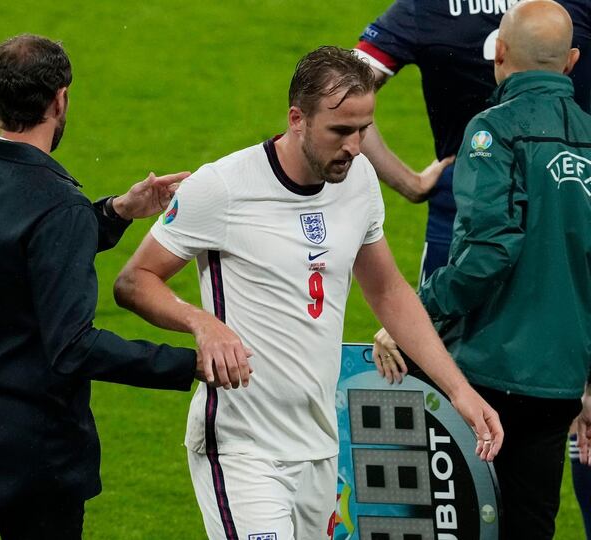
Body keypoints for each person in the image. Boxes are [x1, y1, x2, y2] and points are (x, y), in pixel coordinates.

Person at [113, 46, 503, 540]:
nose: (355, 146)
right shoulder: (222, 188)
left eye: (363, 130)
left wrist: (459, 390)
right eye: (340, 131)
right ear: (297, 119)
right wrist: (203, 323)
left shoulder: (358, 179)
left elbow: (387, 290)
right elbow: (133, 281)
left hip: (320, 447)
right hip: (242, 446)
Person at [0, 34, 243, 540]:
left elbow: (3, 247)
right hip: (32, 457)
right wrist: (190, 363)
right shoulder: (57, 206)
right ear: (61, 99)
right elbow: (73, 347)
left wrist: (114, 212)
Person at [373, 2, 591, 538]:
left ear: (498, 53)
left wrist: (414, 317)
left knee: (450, 522)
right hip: (560, 381)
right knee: (531, 523)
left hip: (488, 372)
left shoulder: (492, 131)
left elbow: (488, 253)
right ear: (573, 60)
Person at [355, 0, 590, 287]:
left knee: (435, 329)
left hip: (463, 208)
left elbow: (344, 88)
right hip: (570, 196)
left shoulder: (426, 7)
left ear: (499, 53)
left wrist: (409, 183)